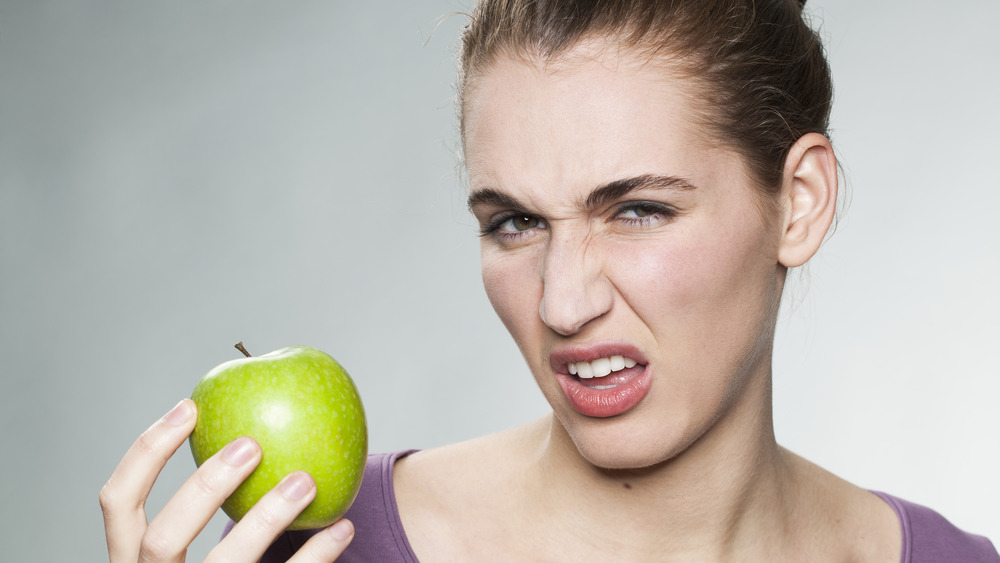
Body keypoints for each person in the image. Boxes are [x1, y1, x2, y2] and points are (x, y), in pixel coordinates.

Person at [100, 0, 999, 561]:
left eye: (639, 208)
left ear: (798, 202)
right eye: (515, 223)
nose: (563, 303)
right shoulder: (330, 550)